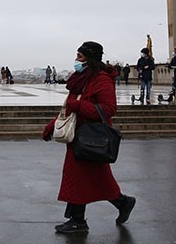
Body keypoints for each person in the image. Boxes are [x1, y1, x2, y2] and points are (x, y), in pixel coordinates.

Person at [42, 41, 136, 234]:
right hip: (79, 136)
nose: (76, 60)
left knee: (85, 177)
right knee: (91, 178)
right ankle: (121, 203)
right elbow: (68, 107)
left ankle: (79, 220)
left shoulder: (101, 79)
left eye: (80, 57)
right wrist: (52, 126)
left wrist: (79, 107)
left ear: (90, 59)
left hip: (91, 137)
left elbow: (109, 109)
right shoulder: (81, 78)